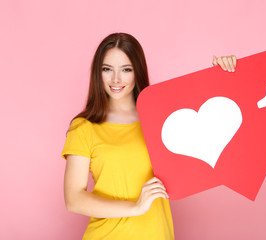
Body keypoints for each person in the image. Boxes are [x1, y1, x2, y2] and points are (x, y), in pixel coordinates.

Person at [61, 32, 237, 239]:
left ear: (138, 72)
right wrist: (135, 207)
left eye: (126, 69)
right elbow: (74, 199)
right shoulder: (84, 127)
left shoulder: (161, 118)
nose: (116, 79)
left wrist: (222, 77)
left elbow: (208, 135)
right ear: (97, 73)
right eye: (107, 69)